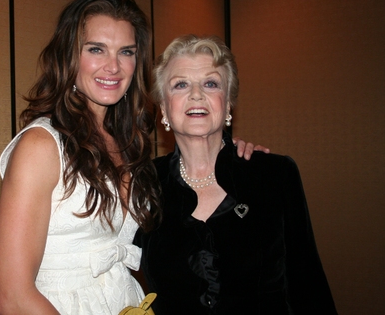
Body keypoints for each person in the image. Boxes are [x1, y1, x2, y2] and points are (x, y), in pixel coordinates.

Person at [0, 0, 262, 315]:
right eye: (96, 49)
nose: (114, 66)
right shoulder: (41, 145)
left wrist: (232, 156)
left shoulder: (129, 145)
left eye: (126, 52)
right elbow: (10, 296)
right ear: (69, 56)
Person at [135, 34, 337, 314]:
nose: (196, 94)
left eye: (211, 83)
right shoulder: (142, 184)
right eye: (180, 84)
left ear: (227, 103)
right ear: (164, 108)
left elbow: (308, 285)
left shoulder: (274, 174)